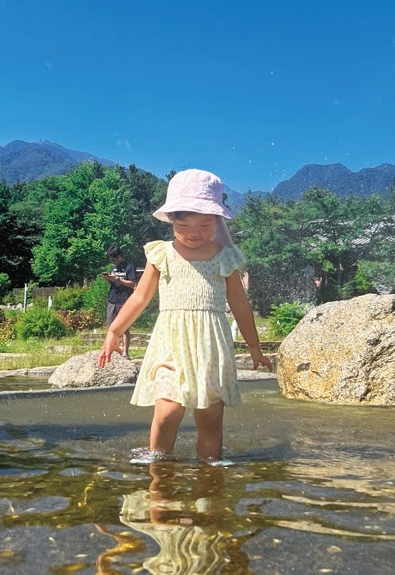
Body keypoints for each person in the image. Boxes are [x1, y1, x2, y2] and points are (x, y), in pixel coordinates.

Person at [97, 169, 273, 463]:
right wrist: (114, 331)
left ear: (218, 220)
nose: (194, 231)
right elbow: (140, 297)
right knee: (167, 413)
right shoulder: (161, 254)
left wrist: (254, 347)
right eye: (184, 223)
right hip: (171, 344)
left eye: (205, 223)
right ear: (170, 220)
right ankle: (158, 467)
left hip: (209, 349)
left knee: (210, 418)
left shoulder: (224, 257)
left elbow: (241, 306)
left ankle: (209, 475)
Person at [100, 246, 137, 358]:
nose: (114, 261)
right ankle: (111, 350)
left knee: (124, 327)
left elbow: (132, 283)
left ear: (120, 256)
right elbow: (112, 283)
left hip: (125, 300)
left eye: (115, 258)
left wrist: (118, 279)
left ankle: (125, 353)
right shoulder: (113, 268)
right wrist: (107, 278)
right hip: (112, 299)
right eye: (112, 259)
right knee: (110, 326)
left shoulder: (129, 267)